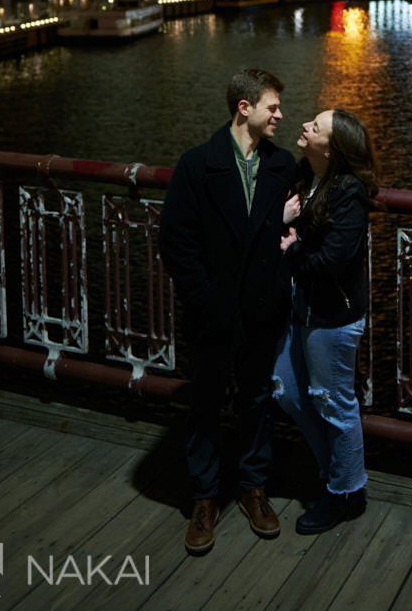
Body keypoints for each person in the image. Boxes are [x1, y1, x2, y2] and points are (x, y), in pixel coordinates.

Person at [159, 67, 296, 555]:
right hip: (213, 311)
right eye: (272, 106)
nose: (280, 114)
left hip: (261, 308)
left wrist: (278, 280)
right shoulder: (198, 165)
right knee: (206, 401)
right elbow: (176, 243)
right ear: (245, 108)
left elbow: (288, 239)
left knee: (257, 400)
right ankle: (204, 496)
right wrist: (206, 297)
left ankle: (253, 488)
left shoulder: (283, 166)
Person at [273, 107, 377, 535]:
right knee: (288, 390)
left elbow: (335, 260)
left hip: (334, 316)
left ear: (331, 148)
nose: (304, 126)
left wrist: (293, 249)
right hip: (304, 306)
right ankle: (332, 472)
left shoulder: (349, 191)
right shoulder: (303, 175)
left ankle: (345, 491)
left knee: (335, 405)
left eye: (315, 127)